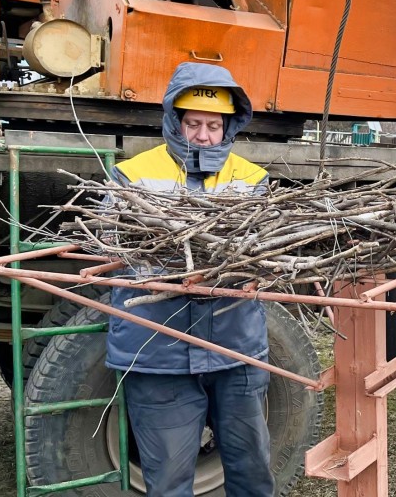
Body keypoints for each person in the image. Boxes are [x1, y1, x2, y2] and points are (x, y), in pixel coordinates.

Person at [105, 62, 274, 497]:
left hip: (235, 349)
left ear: (228, 126)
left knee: (253, 471)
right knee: (168, 482)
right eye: (193, 123)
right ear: (174, 122)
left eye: (213, 125)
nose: (203, 135)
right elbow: (107, 243)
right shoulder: (133, 174)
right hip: (158, 354)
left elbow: (264, 252)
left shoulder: (251, 179)